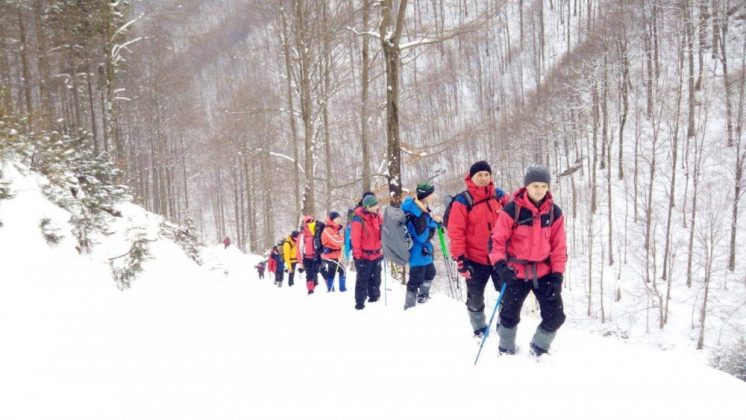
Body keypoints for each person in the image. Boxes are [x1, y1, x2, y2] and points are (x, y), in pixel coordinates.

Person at [489, 165, 567, 356]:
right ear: (526, 187)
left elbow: (559, 247)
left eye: (543, 186)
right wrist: (501, 266)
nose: (539, 190)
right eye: (535, 186)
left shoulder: (554, 213)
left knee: (556, 316)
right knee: (508, 316)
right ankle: (506, 349)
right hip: (515, 271)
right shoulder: (512, 210)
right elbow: (496, 241)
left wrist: (557, 275)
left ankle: (539, 347)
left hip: (544, 272)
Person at [446, 161, 508, 338]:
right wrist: (460, 258)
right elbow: (456, 232)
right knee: (475, 297)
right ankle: (479, 328)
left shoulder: (498, 197)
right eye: (479, 175)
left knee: (508, 293)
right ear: (471, 177)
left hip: (499, 257)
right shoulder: (463, 200)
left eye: (486, 174)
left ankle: (504, 324)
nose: (483, 178)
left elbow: (512, 220)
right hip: (474, 258)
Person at [402, 182, 441, 309]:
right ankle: (409, 307)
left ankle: (423, 297)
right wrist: (434, 223)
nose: (434, 196)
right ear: (426, 196)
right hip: (417, 252)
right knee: (415, 281)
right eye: (432, 193)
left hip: (423, 251)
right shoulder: (418, 212)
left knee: (430, 273)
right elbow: (423, 236)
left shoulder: (421, 208)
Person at [350, 194, 383, 310]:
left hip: (377, 254)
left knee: (376, 279)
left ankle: (374, 299)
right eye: (375, 205)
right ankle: (360, 303)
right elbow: (355, 239)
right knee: (362, 280)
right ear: (368, 207)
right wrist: (358, 257)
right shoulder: (358, 220)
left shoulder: (378, 216)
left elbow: (383, 231)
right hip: (364, 256)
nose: (377, 207)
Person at [320, 211, 346, 292]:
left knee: (332, 272)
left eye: (339, 218)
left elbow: (338, 242)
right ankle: (342, 290)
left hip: (335, 255)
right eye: (336, 218)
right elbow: (335, 241)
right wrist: (344, 239)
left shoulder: (336, 229)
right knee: (343, 271)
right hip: (328, 256)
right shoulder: (327, 230)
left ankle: (331, 290)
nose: (338, 220)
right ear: (332, 219)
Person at [296, 216, 321, 294]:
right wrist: (300, 262)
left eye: (312, 221)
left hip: (316, 257)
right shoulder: (302, 235)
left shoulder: (317, 232)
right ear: (305, 223)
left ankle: (315, 285)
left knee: (315, 272)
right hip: (307, 258)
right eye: (308, 222)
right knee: (309, 274)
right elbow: (299, 248)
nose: (310, 223)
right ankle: (310, 290)